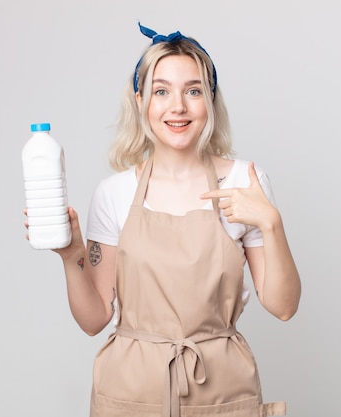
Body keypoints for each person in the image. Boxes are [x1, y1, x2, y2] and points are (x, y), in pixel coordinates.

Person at [25, 22, 301, 417]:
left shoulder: (245, 183)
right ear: (140, 102)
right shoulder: (114, 193)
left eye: (193, 90)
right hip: (131, 392)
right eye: (161, 91)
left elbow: (283, 305)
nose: (178, 107)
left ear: (210, 100)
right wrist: (72, 255)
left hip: (221, 389)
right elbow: (94, 320)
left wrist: (271, 224)